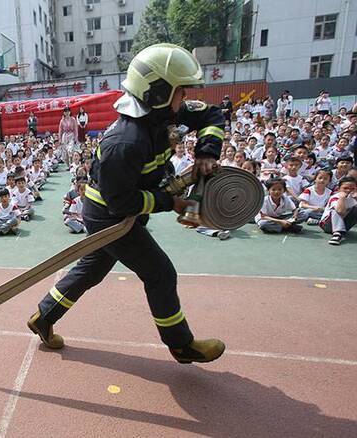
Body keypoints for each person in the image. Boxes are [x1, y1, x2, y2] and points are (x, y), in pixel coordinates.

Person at [27, 43, 226, 364]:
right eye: (181, 91)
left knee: (93, 268)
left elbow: (213, 115)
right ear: (159, 92)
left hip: (122, 205)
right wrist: (171, 203)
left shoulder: (165, 114)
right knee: (160, 273)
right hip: (108, 215)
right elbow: (122, 202)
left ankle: (44, 316)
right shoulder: (125, 141)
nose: (185, 98)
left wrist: (206, 152)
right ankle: (181, 345)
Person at [320, 176, 357, 245]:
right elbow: (340, 211)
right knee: (335, 209)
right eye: (345, 188)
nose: (349, 190)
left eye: (352, 188)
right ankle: (337, 234)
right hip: (328, 225)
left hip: (345, 225)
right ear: (339, 189)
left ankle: (340, 231)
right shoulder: (335, 197)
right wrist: (342, 198)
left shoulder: (354, 197)